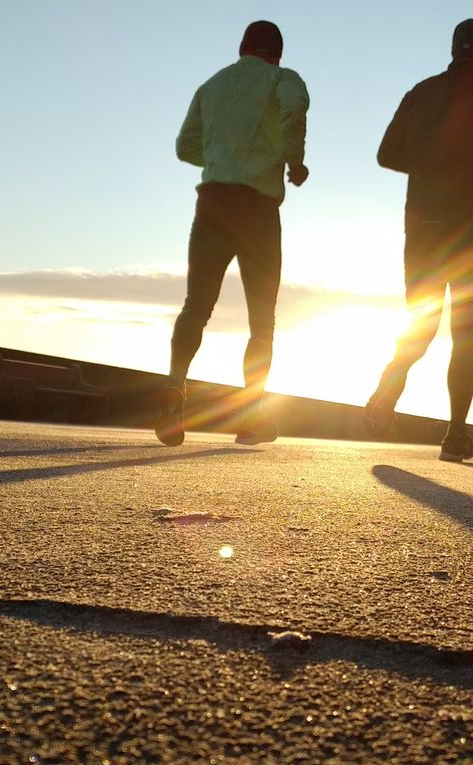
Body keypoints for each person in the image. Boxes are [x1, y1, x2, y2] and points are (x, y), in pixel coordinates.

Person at [362, 18, 473, 462]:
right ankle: (455, 435)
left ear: (454, 48)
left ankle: (388, 387)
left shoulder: (420, 92)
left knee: (422, 321)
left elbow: (386, 154)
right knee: (465, 333)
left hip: (423, 227)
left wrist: (430, 166)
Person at [155, 20, 310, 448]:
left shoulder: (212, 85)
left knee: (196, 306)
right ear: (277, 53)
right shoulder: (284, 80)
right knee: (261, 322)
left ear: (242, 48)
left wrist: (222, 154)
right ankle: (251, 418)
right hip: (257, 209)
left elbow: (185, 147)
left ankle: (174, 388)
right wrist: (293, 160)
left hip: (212, 203)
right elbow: (294, 112)